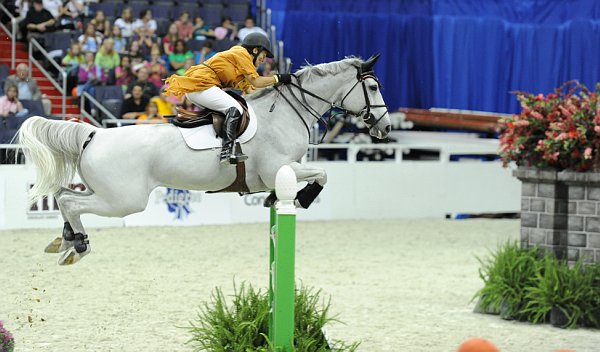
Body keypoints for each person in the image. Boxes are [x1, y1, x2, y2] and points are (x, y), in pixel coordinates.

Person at [164, 33, 292, 165]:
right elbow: (257, 82)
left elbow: (251, 91)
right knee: (235, 108)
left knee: (233, 106)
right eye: (263, 55)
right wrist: (278, 78)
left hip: (200, 88)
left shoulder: (241, 68)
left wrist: (277, 90)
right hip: (202, 84)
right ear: (255, 50)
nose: (263, 60)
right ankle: (227, 150)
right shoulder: (241, 52)